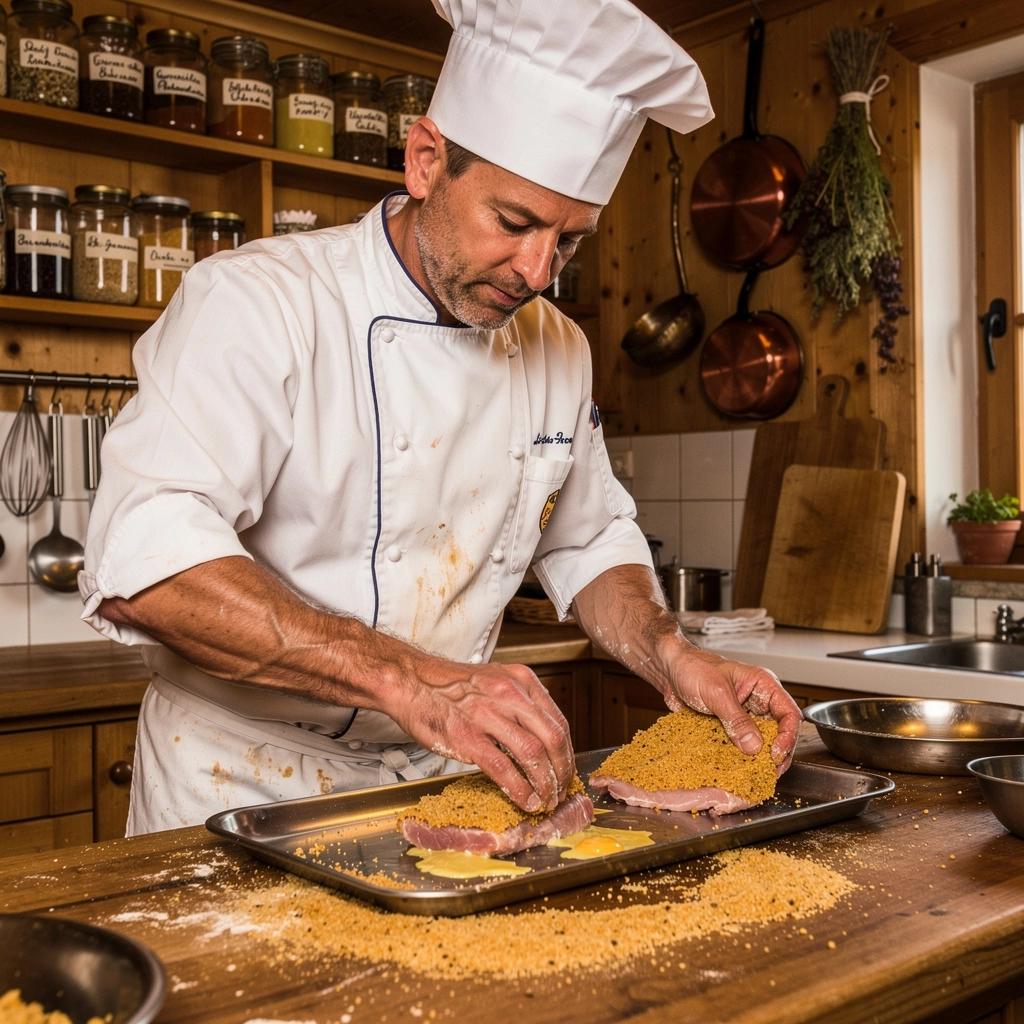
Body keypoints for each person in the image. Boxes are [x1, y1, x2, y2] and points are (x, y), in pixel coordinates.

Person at [80, 0, 802, 835]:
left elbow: (590, 541)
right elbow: (146, 561)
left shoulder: (557, 347)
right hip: (236, 782)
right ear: (426, 160)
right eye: (515, 221)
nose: (538, 270)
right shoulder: (258, 303)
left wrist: (672, 654)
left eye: (570, 241)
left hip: (441, 787)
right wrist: (414, 681)